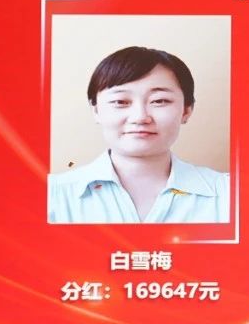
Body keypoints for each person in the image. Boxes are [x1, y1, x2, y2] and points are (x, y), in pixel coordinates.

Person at [48, 47, 229, 224]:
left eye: (159, 101)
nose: (140, 117)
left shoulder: (228, 194)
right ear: (95, 110)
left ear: (187, 110)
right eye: (120, 102)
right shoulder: (51, 196)